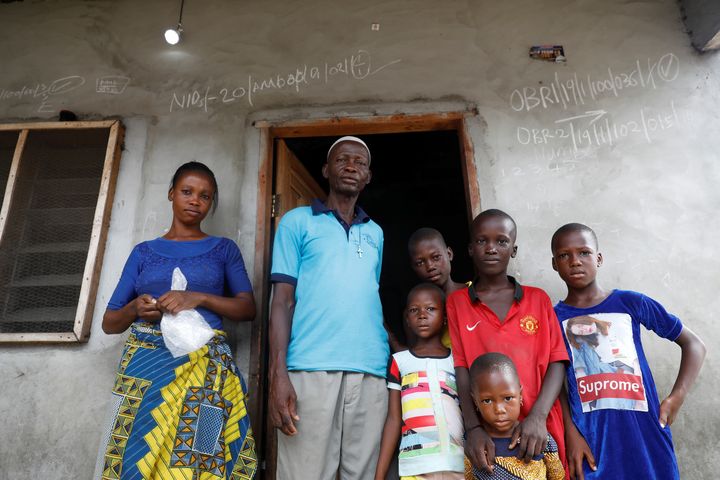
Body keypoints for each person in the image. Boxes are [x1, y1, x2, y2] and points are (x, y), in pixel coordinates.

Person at [95, 162, 257, 480]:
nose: (195, 200)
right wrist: (135, 310)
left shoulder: (224, 249)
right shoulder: (143, 252)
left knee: (201, 457)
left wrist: (199, 298)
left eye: (205, 196)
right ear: (171, 194)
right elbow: (110, 322)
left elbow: (247, 308)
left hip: (205, 376)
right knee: (135, 453)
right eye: (187, 192)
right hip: (145, 374)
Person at [269, 136, 388, 480]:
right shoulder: (297, 222)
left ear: (368, 176)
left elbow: (368, 296)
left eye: (360, 163)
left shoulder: (376, 233)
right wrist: (279, 375)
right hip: (309, 369)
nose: (351, 167)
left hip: (370, 372)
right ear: (326, 169)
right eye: (342, 160)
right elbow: (282, 301)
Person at [551, 223, 706, 480]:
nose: (575, 261)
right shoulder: (554, 318)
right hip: (592, 439)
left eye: (584, 253)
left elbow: (694, 345)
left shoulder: (630, 303)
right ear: (555, 264)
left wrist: (675, 398)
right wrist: (571, 433)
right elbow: (556, 384)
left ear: (599, 258)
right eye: (564, 255)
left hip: (644, 431)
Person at [445, 209, 569, 477]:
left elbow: (557, 361)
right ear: (469, 248)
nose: (491, 248)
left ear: (513, 250)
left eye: (501, 241)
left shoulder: (538, 299)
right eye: (482, 241)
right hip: (489, 435)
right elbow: (462, 369)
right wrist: (473, 428)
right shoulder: (458, 303)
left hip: (540, 426)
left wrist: (537, 417)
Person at [375, 283, 465, 480]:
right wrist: (379, 474)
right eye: (414, 310)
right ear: (407, 318)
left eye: (431, 309)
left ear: (445, 317)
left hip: (457, 464)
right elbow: (393, 419)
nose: (422, 315)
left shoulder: (457, 361)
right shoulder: (400, 361)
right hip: (415, 467)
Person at [468, 352, 565, 480]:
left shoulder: (539, 438)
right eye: (487, 401)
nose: (499, 409)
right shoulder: (474, 446)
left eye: (508, 398)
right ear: (476, 402)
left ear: (520, 395)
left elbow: (557, 476)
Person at [407, 228, 467, 349]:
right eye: (420, 263)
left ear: (449, 254)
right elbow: (415, 355)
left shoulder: (472, 294)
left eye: (436, 257)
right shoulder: (415, 311)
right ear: (413, 267)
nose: (430, 267)